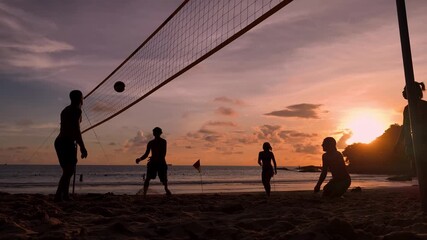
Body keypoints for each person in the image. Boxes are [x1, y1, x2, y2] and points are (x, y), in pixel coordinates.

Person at [54, 90, 88, 202]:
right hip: (65, 142)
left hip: (60, 142)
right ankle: (59, 196)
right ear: (80, 98)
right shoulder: (76, 110)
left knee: (68, 171)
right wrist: (82, 147)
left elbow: (71, 127)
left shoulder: (66, 110)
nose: (83, 99)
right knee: (69, 172)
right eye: (82, 98)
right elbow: (76, 131)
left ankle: (65, 196)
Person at [396, 81, 427, 175]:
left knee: (423, 168)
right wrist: (398, 143)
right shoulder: (407, 108)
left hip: (423, 143)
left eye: (404, 90)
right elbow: (405, 127)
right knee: (418, 169)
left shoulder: (424, 106)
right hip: (413, 145)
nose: (402, 92)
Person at [136, 127, 171, 196]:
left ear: (160, 133)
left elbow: (163, 154)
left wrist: (154, 158)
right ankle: (145, 193)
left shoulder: (163, 142)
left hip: (161, 162)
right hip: (153, 163)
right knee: (147, 178)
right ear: (153, 133)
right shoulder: (151, 143)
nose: (155, 133)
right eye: (154, 132)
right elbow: (146, 154)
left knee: (164, 179)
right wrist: (140, 159)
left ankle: (166, 189)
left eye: (157, 132)